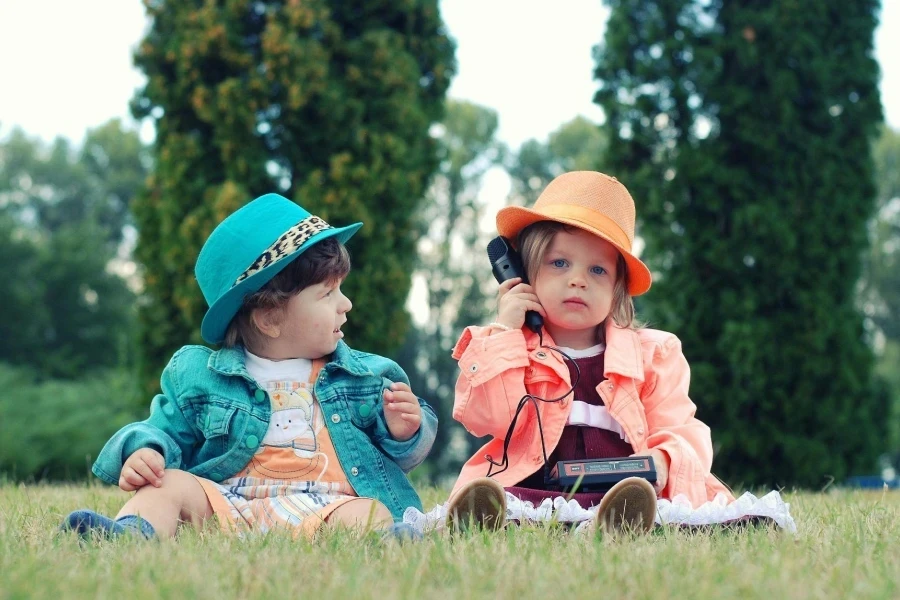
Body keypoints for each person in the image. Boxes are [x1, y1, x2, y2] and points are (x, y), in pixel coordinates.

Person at [61, 193, 437, 541]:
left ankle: (391, 542)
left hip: (326, 507)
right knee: (167, 485)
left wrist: (403, 432)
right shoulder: (201, 376)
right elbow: (163, 429)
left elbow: (400, 456)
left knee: (369, 511)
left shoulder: (363, 377)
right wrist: (146, 452)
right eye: (327, 294)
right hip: (227, 504)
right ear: (270, 318)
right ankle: (131, 534)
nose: (346, 304)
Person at [444, 171, 733, 533]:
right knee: (509, 505)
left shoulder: (653, 355)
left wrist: (661, 459)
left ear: (616, 289)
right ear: (522, 274)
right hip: (534, 490)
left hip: (623, 493)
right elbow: (487, 417)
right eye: (559, 263)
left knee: (652, 509)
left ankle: (613, 525)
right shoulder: (509, 346)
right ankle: (489, 520)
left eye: (597, 269)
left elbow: (681, 427)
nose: (577, 279)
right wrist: (505, 334)